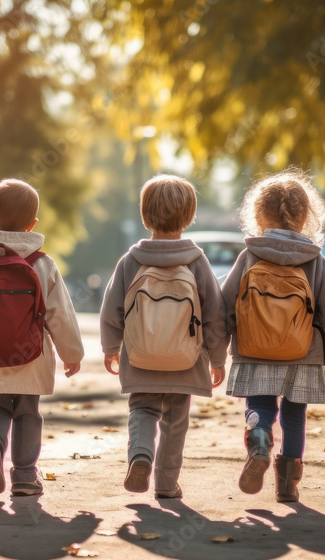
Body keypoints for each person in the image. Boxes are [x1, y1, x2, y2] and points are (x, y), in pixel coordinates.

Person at [221, 169, 325, 502]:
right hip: (302, 353)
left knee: (259, 403)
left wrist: (213, 352)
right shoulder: (314, 260)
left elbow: (223, 305)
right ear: (306, 218)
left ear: (258, 215)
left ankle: (258, 436)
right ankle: (287, 486)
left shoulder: (249, 255)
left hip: (253, 350)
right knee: (295, 415)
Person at [0, 179, 84, 497]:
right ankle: (24, 475)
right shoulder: (41, 264)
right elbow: (59, 314)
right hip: (31, 356)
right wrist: (72, 353)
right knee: (27, 412)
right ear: (32, 224)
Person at [99, 174, 229, 499]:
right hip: (185, 361)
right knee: (175, 421)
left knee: (142, 409)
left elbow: (112, 308)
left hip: (140, 357)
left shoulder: (131, 260)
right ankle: (167, 484)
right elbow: (214, 314)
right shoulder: (196, 261)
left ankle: (140, 455)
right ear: (188, 216)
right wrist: (217, 358)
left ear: (145, 215)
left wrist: (111, 347)